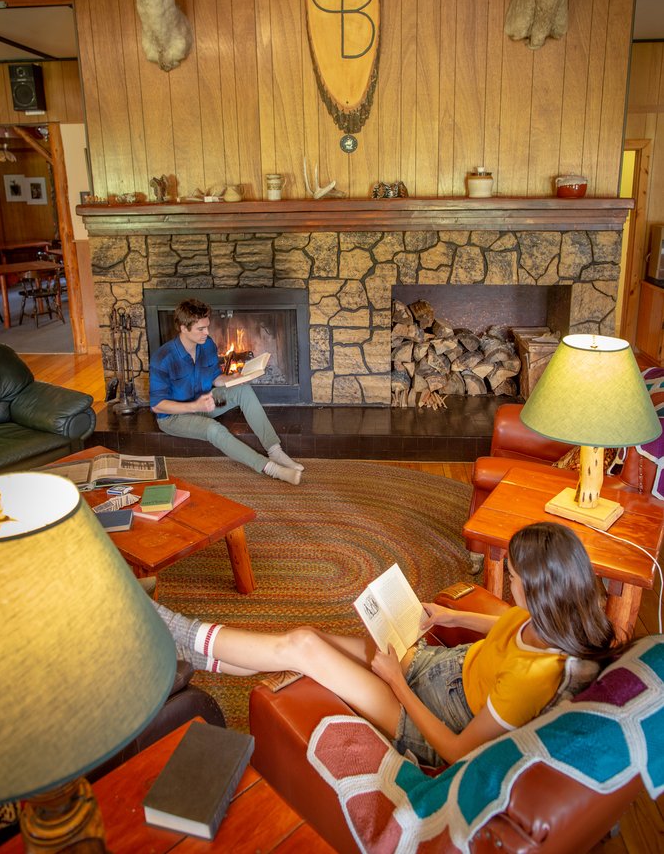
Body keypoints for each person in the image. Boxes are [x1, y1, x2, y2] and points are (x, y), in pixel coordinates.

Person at [153, 521, 619, 767]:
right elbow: (502, 625)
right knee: (312, 638)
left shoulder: (531, 678)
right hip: (442, 667)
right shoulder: (548, 617)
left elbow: (457, 752)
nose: (507, 586)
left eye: (513, 579)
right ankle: (195, 655)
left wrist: (396, 683)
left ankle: (175, 632)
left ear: (541, 589)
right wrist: (450, 614)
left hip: (431, 719)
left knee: (301, 646)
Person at [149, 298, 304, 485]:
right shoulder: (163, 358)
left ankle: (275, 451)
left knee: (244, 390)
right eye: (201, 329)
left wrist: (235, 378)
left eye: (207, 326)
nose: (207, 332)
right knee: (214, 429)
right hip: (173, 417)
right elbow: (157, 406)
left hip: (204, 401)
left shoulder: (207, 345)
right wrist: (194, 406)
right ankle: (271, 469)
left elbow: (215, 377)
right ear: (183, 328)